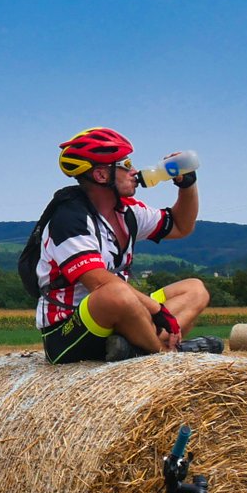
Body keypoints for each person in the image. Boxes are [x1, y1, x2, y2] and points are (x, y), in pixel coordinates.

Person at [36, 126, 218, 364]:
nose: (134, 171)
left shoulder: (128, 211)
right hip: (68, 330)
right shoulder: (69, 218)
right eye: (126, 164)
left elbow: (181, 226)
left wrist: (187, 186)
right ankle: (164, 356)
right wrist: (156, 309)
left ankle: (134, 350)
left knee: (194, 289)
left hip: (122, 314)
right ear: (102, 175)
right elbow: (98, 282)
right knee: (115, 292)